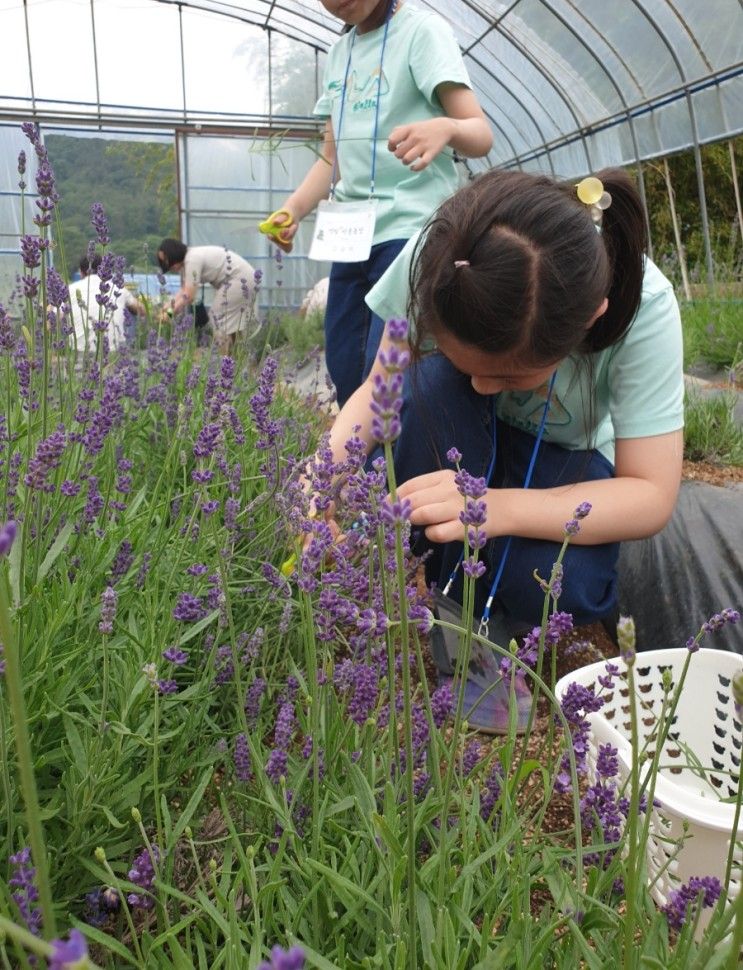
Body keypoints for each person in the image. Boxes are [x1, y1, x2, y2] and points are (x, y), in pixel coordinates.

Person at [321, 167, 685, 725]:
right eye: (469, 366)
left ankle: (508, 611)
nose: (485, 387)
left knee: (562, 580)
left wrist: (499, 509)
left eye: (511, 377)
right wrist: (317, 481)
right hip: (456, 434)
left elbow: (650, 492)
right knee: (424, 390)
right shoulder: (443, 258)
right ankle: (462, 614)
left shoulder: (646, 305)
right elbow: (380, 389)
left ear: (590, 321)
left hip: (565, 462)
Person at [260, 0, 492, 407]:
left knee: (387, 369)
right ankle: (363, 465)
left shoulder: (421, 32)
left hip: (411, 229)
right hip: (350, 235)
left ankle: (397, 465)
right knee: (345, 362)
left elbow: (480, 134)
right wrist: (293, 209)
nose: (335, 3)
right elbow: (332, 159)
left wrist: (447, 127)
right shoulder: (339, 53)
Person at [156, 239, 257, 356]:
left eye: (167, 260)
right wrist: (166, 307)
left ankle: (223, 359)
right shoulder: (188, 260)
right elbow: (184, 290)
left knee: (218, 317)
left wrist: (169, 313)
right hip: (242, 278)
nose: (167, 265)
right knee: (231, 323)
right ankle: (235, 359)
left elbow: (189, 296)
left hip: (239, 279)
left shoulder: (192, 259)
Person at [69, 255, 144, 352]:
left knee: (64, 313)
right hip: (114, 351)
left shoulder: (71, 288)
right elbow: (142, 310)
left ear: (81, 272)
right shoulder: (118, 288)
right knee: (132, 310)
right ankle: (127, 347)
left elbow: (50, 316)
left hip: (79, 351)